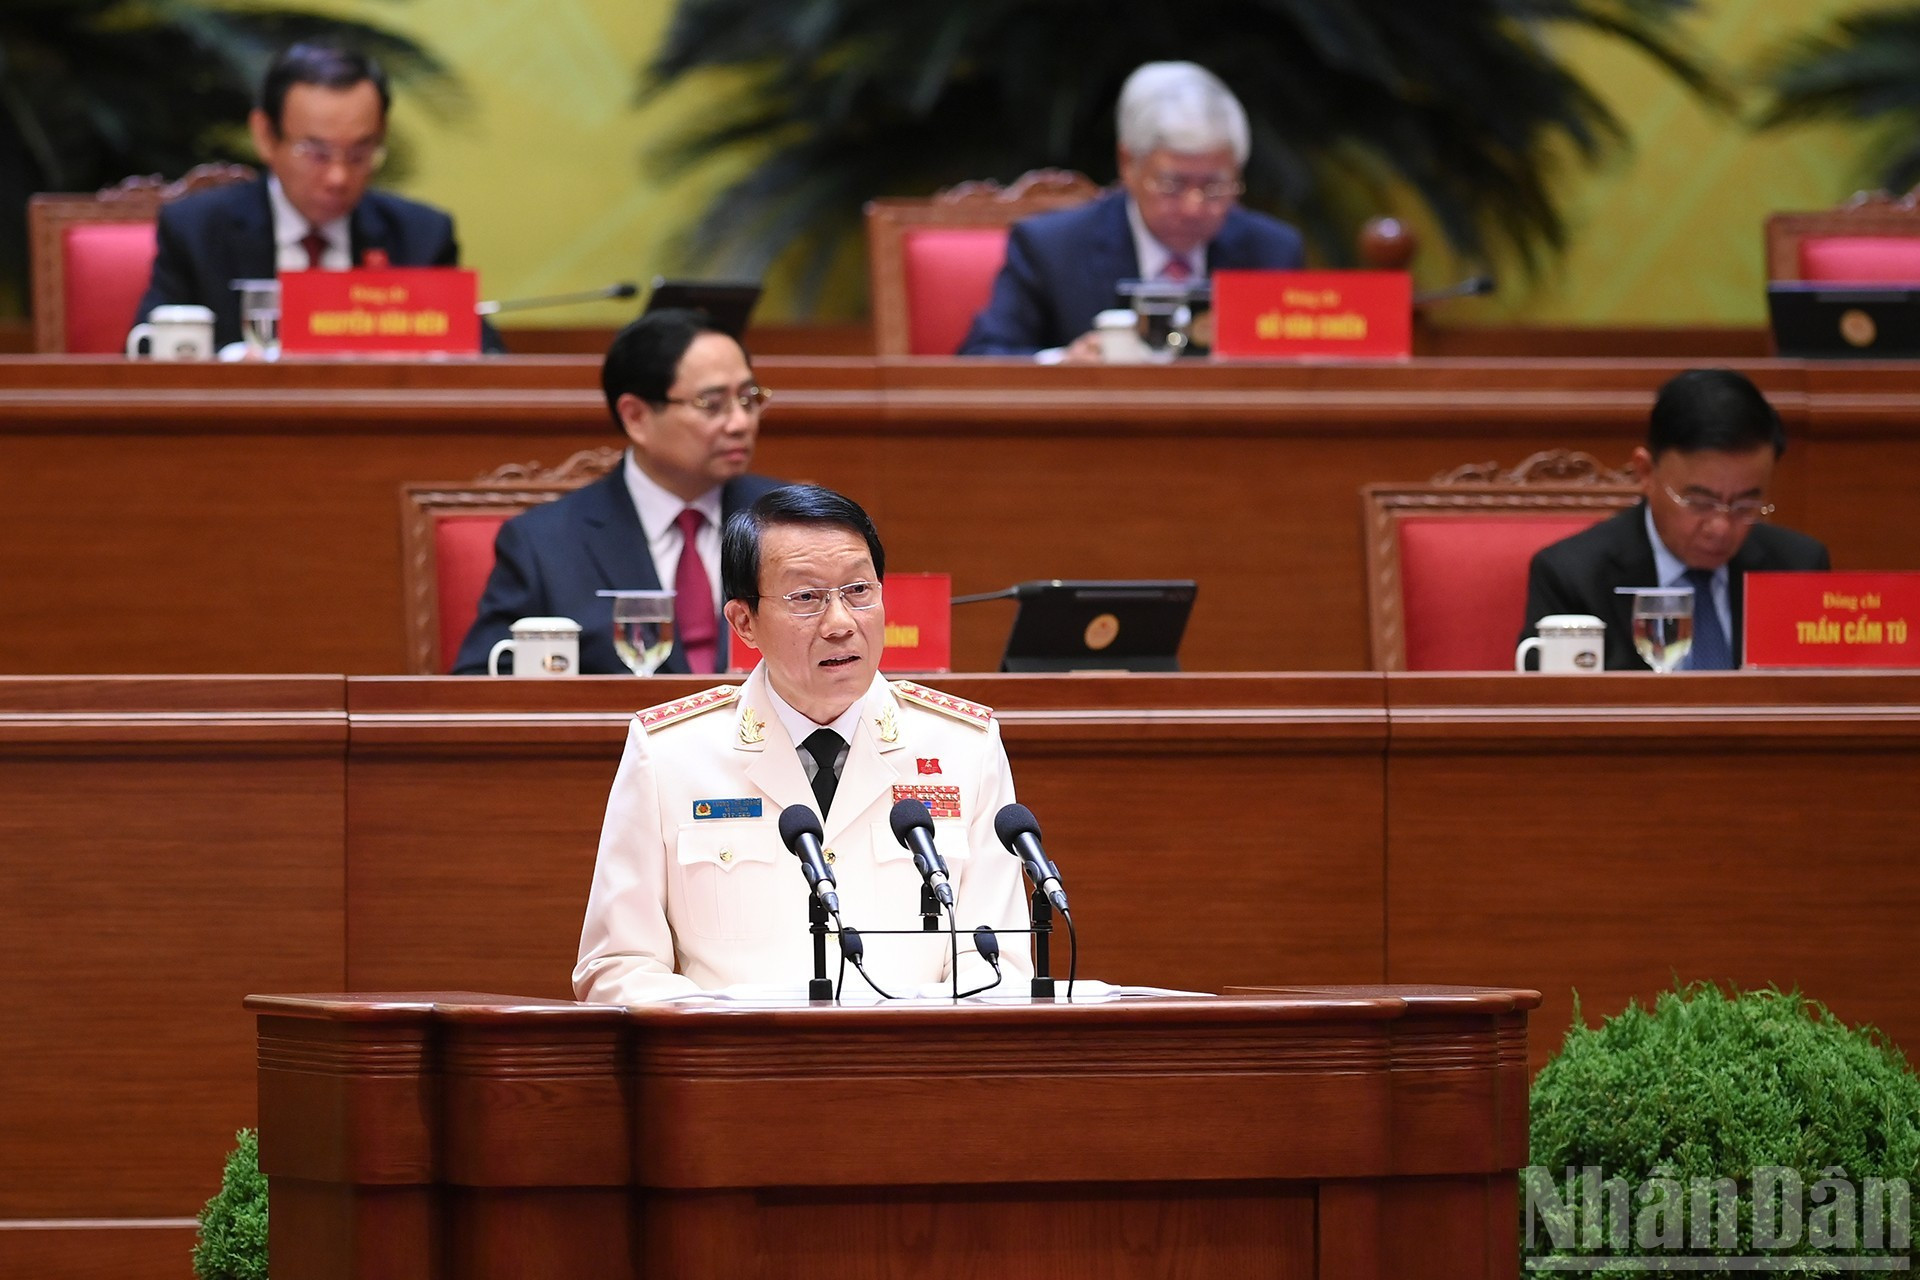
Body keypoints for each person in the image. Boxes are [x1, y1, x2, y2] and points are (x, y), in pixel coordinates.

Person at [573, 484, 1034, 1001]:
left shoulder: (963, 745)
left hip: (914, 1070)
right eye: (806, 598)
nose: (840, 624)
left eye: (859, 590)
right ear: (743, 622)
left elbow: (997, 960)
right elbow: (619, 965)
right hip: (738, 1070)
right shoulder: (669, 753)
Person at [453, 309, 783, 675]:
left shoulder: (791, 523)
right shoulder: (544, 545)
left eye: (749, 398)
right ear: (636, 417)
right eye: (713, 404)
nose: (740, 422)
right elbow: (479, 683)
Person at [132, 42, 486, 352]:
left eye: (360, 153)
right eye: (316, 153)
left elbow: (487, 358)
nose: (338, 176)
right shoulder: (198, 231)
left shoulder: (419, 237)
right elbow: (145, 359)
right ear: (266, 137)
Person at [958, 61, 1304, 359]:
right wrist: (1063, 364)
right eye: (1173, 185)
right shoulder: (1051, 249)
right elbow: (980, 359)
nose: (1193, 207)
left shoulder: (1272, 252)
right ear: (1128, 164)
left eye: (1214, 188)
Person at [1522, 368, 1831, 671]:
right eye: (1699, 502)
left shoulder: (1798, 567)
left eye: (1745, 504)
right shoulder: (1573, 577)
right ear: (1646, 473)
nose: (1720, 528)